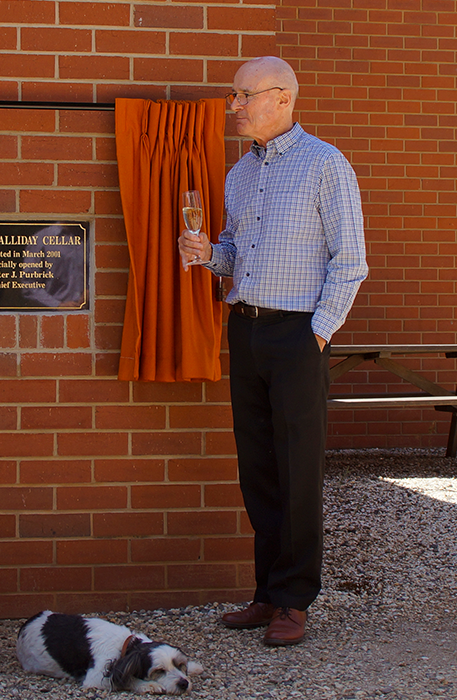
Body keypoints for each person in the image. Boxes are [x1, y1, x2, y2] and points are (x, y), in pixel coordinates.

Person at [179, 56, 368, 646]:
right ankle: (266, 593)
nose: (233, 107)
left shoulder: (325, 165)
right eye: (233, 97)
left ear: (282, 98)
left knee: (298, 468)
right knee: (258, 465)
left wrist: (319, 333)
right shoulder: (241, 173)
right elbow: (237, 252)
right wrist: (208, 252)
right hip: (246, 328)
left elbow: (351, 260)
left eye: (243, 96)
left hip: (297, 335)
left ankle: (294, 600)